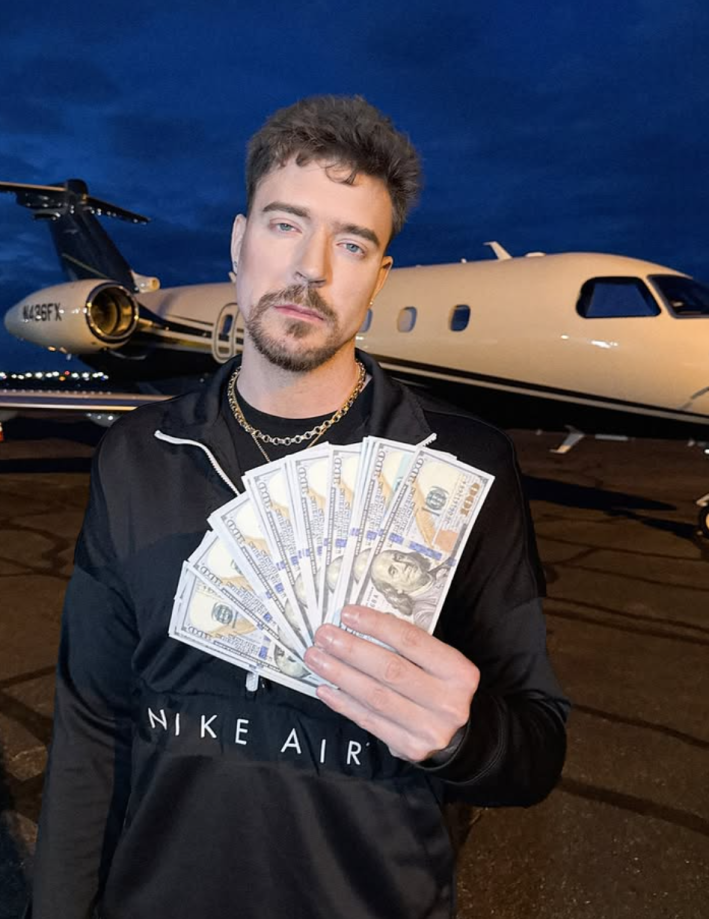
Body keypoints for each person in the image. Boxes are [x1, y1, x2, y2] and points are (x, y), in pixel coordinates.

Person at [29, 95, 569, 919]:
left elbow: (534, 750)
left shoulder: (461, 465)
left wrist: (468, 734)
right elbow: (93, 723)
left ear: (379, 277)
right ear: (241, 243)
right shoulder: (137, 456)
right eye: (286, 225)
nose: (311, 268)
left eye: (351, 243)